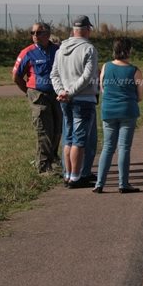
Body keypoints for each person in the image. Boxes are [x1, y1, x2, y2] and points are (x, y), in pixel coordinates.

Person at [50, 15, 99, 188]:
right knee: (79, 139)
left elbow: (54, 75)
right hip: (83, 99)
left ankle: (68, 174)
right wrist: (70, 92)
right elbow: (88, 76)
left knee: (68, 137)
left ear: (73, 30)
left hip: (64, 99)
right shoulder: (89, 49)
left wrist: (61, 92)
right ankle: (77, 177)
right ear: (86, 29)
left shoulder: (60, 49)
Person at [93, 37, 143, 194]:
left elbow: (102, 88)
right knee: (124, 148)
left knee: (107, 147)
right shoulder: (134, 70)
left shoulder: (106, 67)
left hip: (108, 110)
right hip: (127, 110)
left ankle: (99, 183)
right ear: (129, 51)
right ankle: (123, 183)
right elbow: (140, 95)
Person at [12, 22, 62, 174]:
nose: (34, 35)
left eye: (38, 32)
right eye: (32, 32)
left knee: (58, 129)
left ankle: (52, 158)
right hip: (38, 95)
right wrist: (28, 91)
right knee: (44, 130)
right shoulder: (27, 52)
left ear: (47, 34)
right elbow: (16, 76)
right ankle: (42, 166)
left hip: (57, 95)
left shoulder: (58, 50)